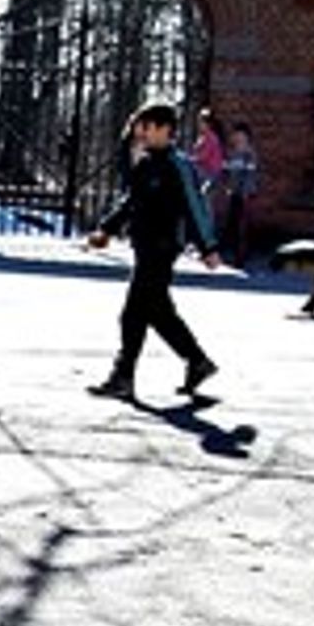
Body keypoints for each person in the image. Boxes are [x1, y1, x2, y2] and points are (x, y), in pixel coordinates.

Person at [84, 103, 222, 402]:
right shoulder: (146, 162)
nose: (140, 132)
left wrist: (208, 246)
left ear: (164, 129)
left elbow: (194, 207)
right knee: (158, 312)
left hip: (162, 248)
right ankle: (198, 361)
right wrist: (106, 229)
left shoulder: (178, 165)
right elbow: (130, 201)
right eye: (139, 127)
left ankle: (123, 377)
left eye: (146, 127)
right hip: (144, 246)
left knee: (133, 312)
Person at [218, 120, 260, 265]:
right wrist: (227, 185)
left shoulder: (249, 154)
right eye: (235, 134)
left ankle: (240, 257)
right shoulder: (232, 152)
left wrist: (245, 193)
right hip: (233, 192)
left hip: (245, 194)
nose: (237, 137)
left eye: (240, 134)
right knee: (232, 224)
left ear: (246, 136)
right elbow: (226, 171)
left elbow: (250, 175)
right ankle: (231, 254)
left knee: (241, 226)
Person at [188, 108, 227, 198]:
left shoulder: (211, 137)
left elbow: (205, 156)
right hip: (205, 170)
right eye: (198, 122)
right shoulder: (202, 137)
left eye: (201, 122)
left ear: (208, 124)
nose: (199, 125)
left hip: (211, 172)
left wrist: (193, 159)